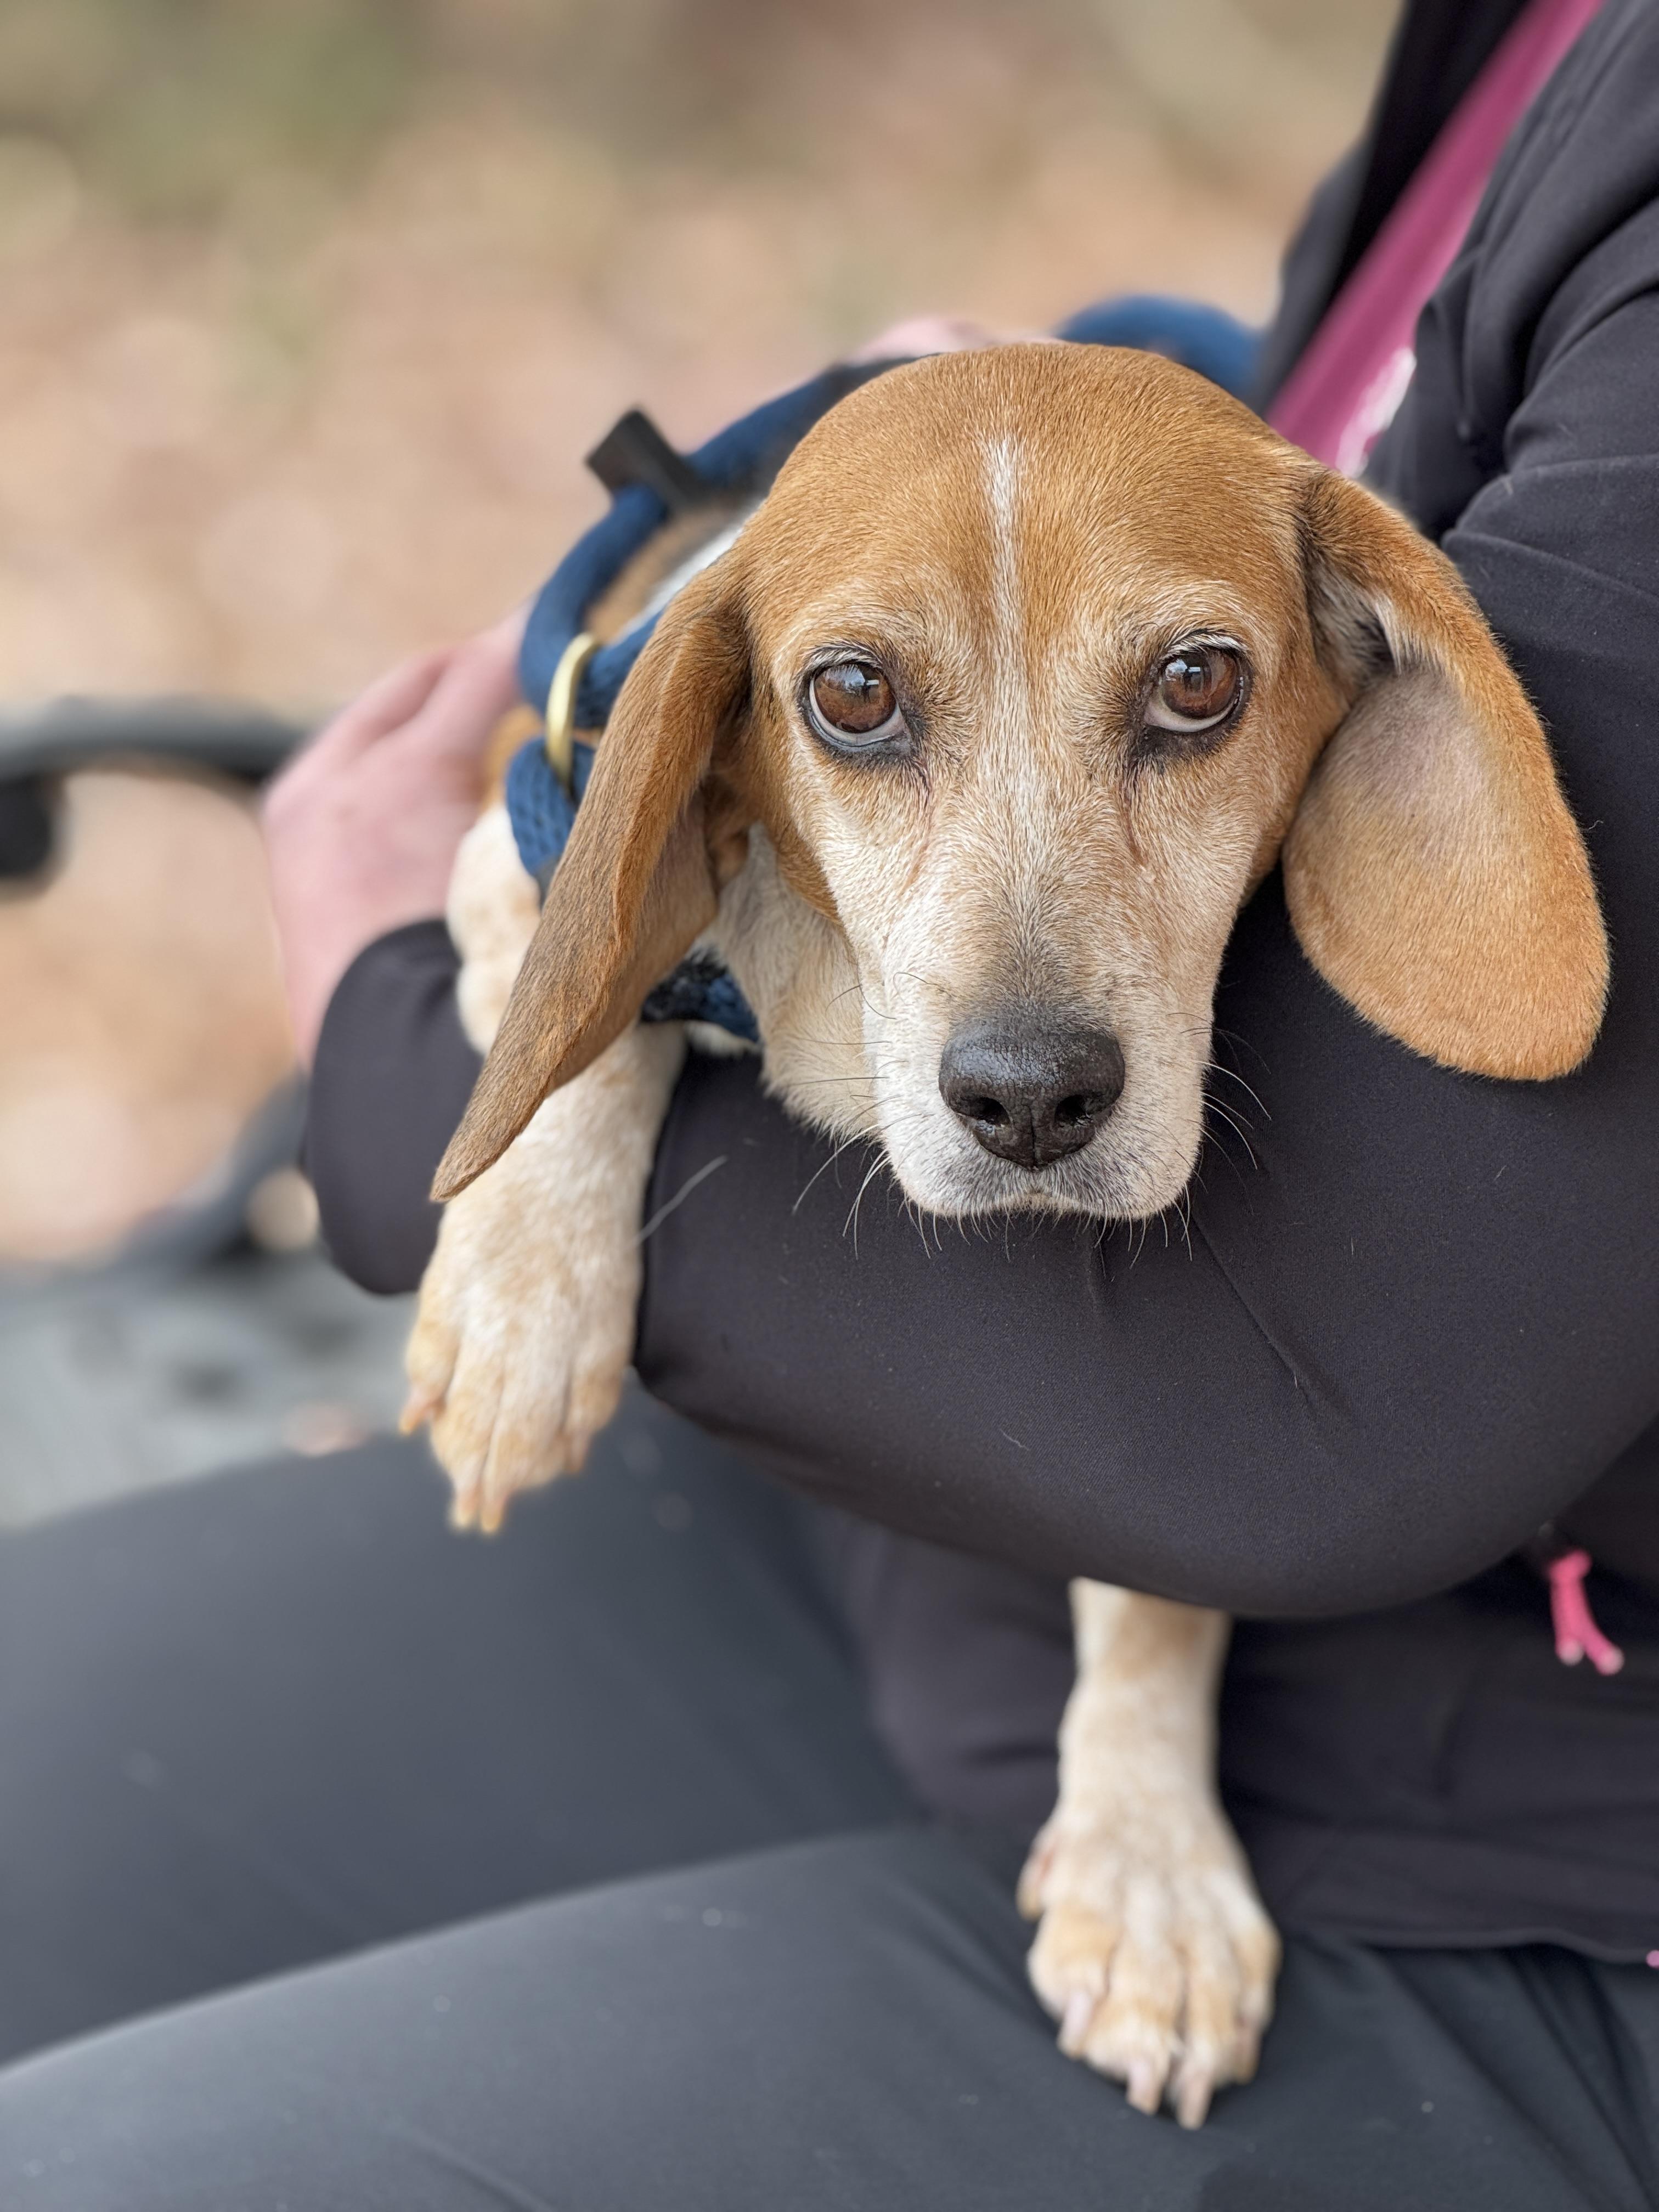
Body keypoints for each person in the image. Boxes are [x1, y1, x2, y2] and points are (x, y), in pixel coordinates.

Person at [5, 0, 1658, 2202]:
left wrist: (395, 1061)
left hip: (1468, 1843)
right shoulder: (1507, 40)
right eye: (860, 702)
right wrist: (952, 469)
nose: (1026, 1026)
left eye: (1187, 693)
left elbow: (1317, 1398)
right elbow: (588, 885)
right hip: (867, 1507)